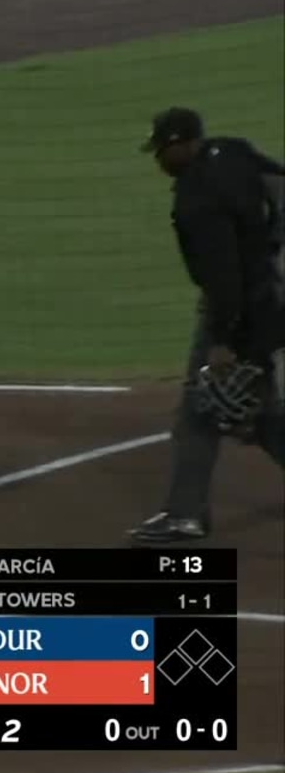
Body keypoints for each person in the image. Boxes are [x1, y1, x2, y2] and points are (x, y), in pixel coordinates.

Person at [128, 107, 285, 544]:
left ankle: (183, 514)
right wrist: (273, 243)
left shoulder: (197, 200)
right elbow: (280, 186)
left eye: (162, 149)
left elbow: (223, 279)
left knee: (202, 408)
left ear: (182, 144)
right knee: (258, 408)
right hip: (274, 293)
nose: (159, 160)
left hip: (247, 307)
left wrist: (221, 341)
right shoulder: (232, 151)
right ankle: (184, 511)